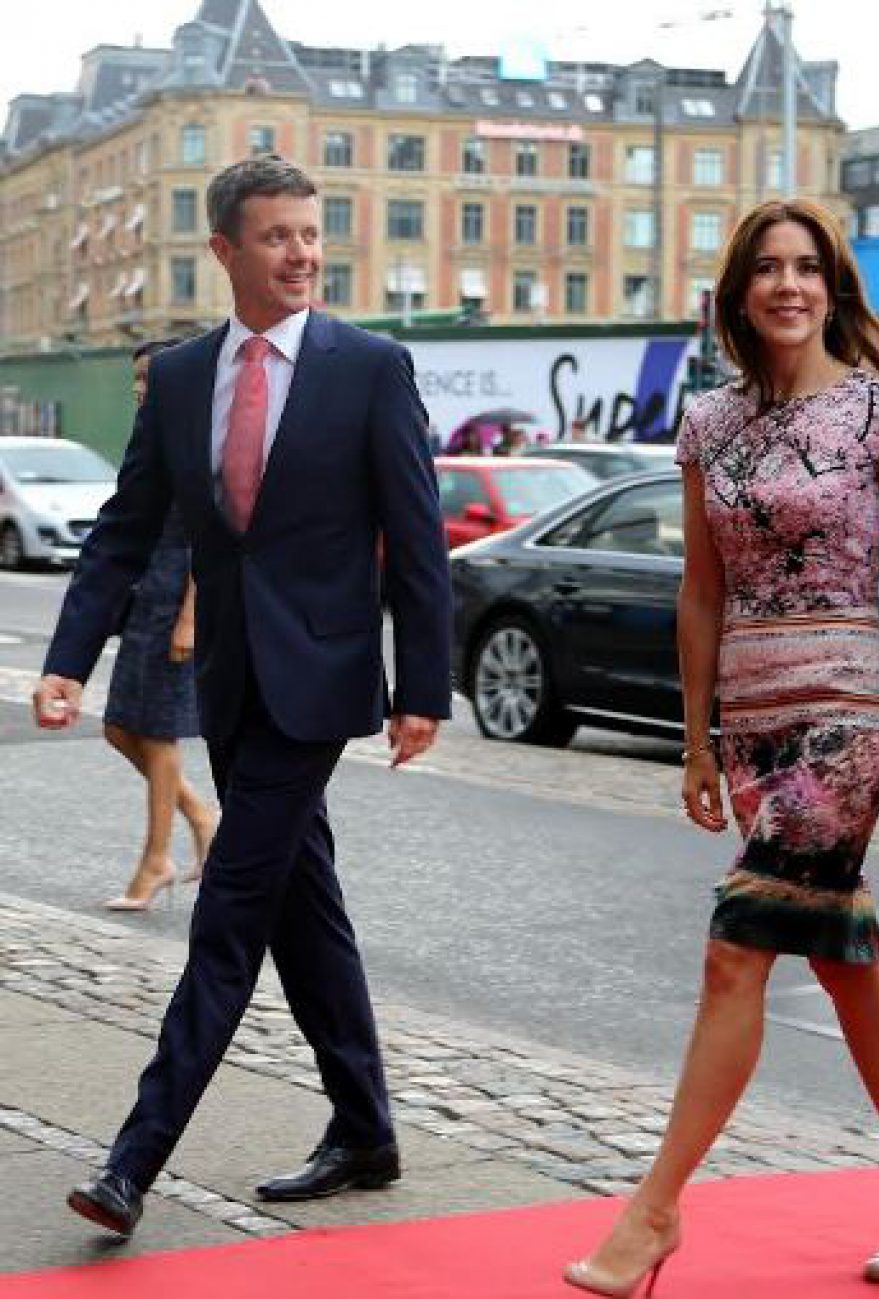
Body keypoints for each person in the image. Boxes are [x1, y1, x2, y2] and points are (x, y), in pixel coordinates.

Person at [33, 155, 452, 1238]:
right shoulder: (178, 377)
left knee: (228, 915)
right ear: (225, 249)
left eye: (311, 235)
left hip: (321, 679)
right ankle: (367, 1128)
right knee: (303, 908)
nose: (302, 254)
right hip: (228, 679)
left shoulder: (371, 366)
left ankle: (133, 1160)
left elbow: (417, 538)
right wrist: (69, 659)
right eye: (277, 237)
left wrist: (425, 688)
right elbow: (125, 531)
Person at [564, 198, 879, 1296]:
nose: (788, 286)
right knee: (840, 963)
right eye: (768, 269)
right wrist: (696, 741)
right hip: (751, 714)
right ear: (741, 291)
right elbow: (701, 591)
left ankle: (653, 1214)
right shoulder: (707, 424)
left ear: (833, 287)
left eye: (808, 269)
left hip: (848, 706)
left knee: (735, 947)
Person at [102, 339, 217, 911]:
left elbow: (208, 534)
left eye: (148, 377)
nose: (140, 388)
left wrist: (190, 617)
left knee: (158, 731)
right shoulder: (154, 433)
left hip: (179, 597)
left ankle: (156, 860)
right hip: (148, 595)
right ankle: (200, 816)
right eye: (136, 380)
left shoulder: (195, 434)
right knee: (119, 728)